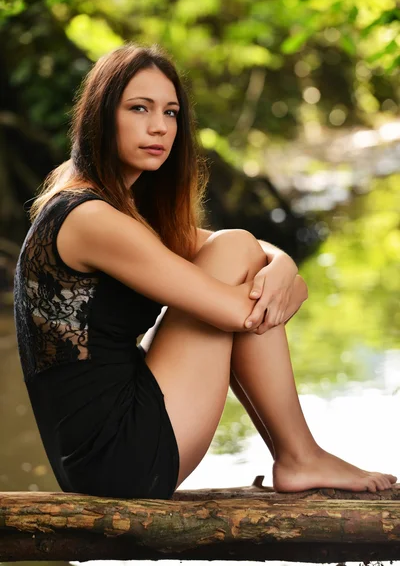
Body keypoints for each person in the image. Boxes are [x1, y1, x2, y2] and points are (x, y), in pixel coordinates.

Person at [14, 43, 396, 500]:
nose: (160, 127)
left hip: (99, 450)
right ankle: (299, 455)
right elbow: (243, 310)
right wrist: (288, 286)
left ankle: (299, 455)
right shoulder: (90, 218)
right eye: (140, 108)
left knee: (237, 246)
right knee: (237, 250)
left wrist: (285, 265)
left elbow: (241, 251)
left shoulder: (111, 207)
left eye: (171, 113)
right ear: (100, 117)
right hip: (117, 459)